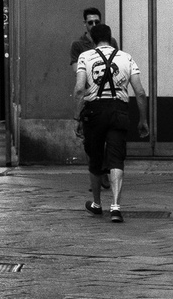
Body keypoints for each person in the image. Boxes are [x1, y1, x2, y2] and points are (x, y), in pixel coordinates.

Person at [73, 23, 149, 223]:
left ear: (92, 38)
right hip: (119, 110)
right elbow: (140, 93)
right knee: (116, 158)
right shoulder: (127, 57)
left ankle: (97, 204)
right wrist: (143, 119)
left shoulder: (85, 57)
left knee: (95, 157)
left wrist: (77, 116)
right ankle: (115, 206)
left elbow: (80, 90)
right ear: (110, 37)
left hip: (94, 112)